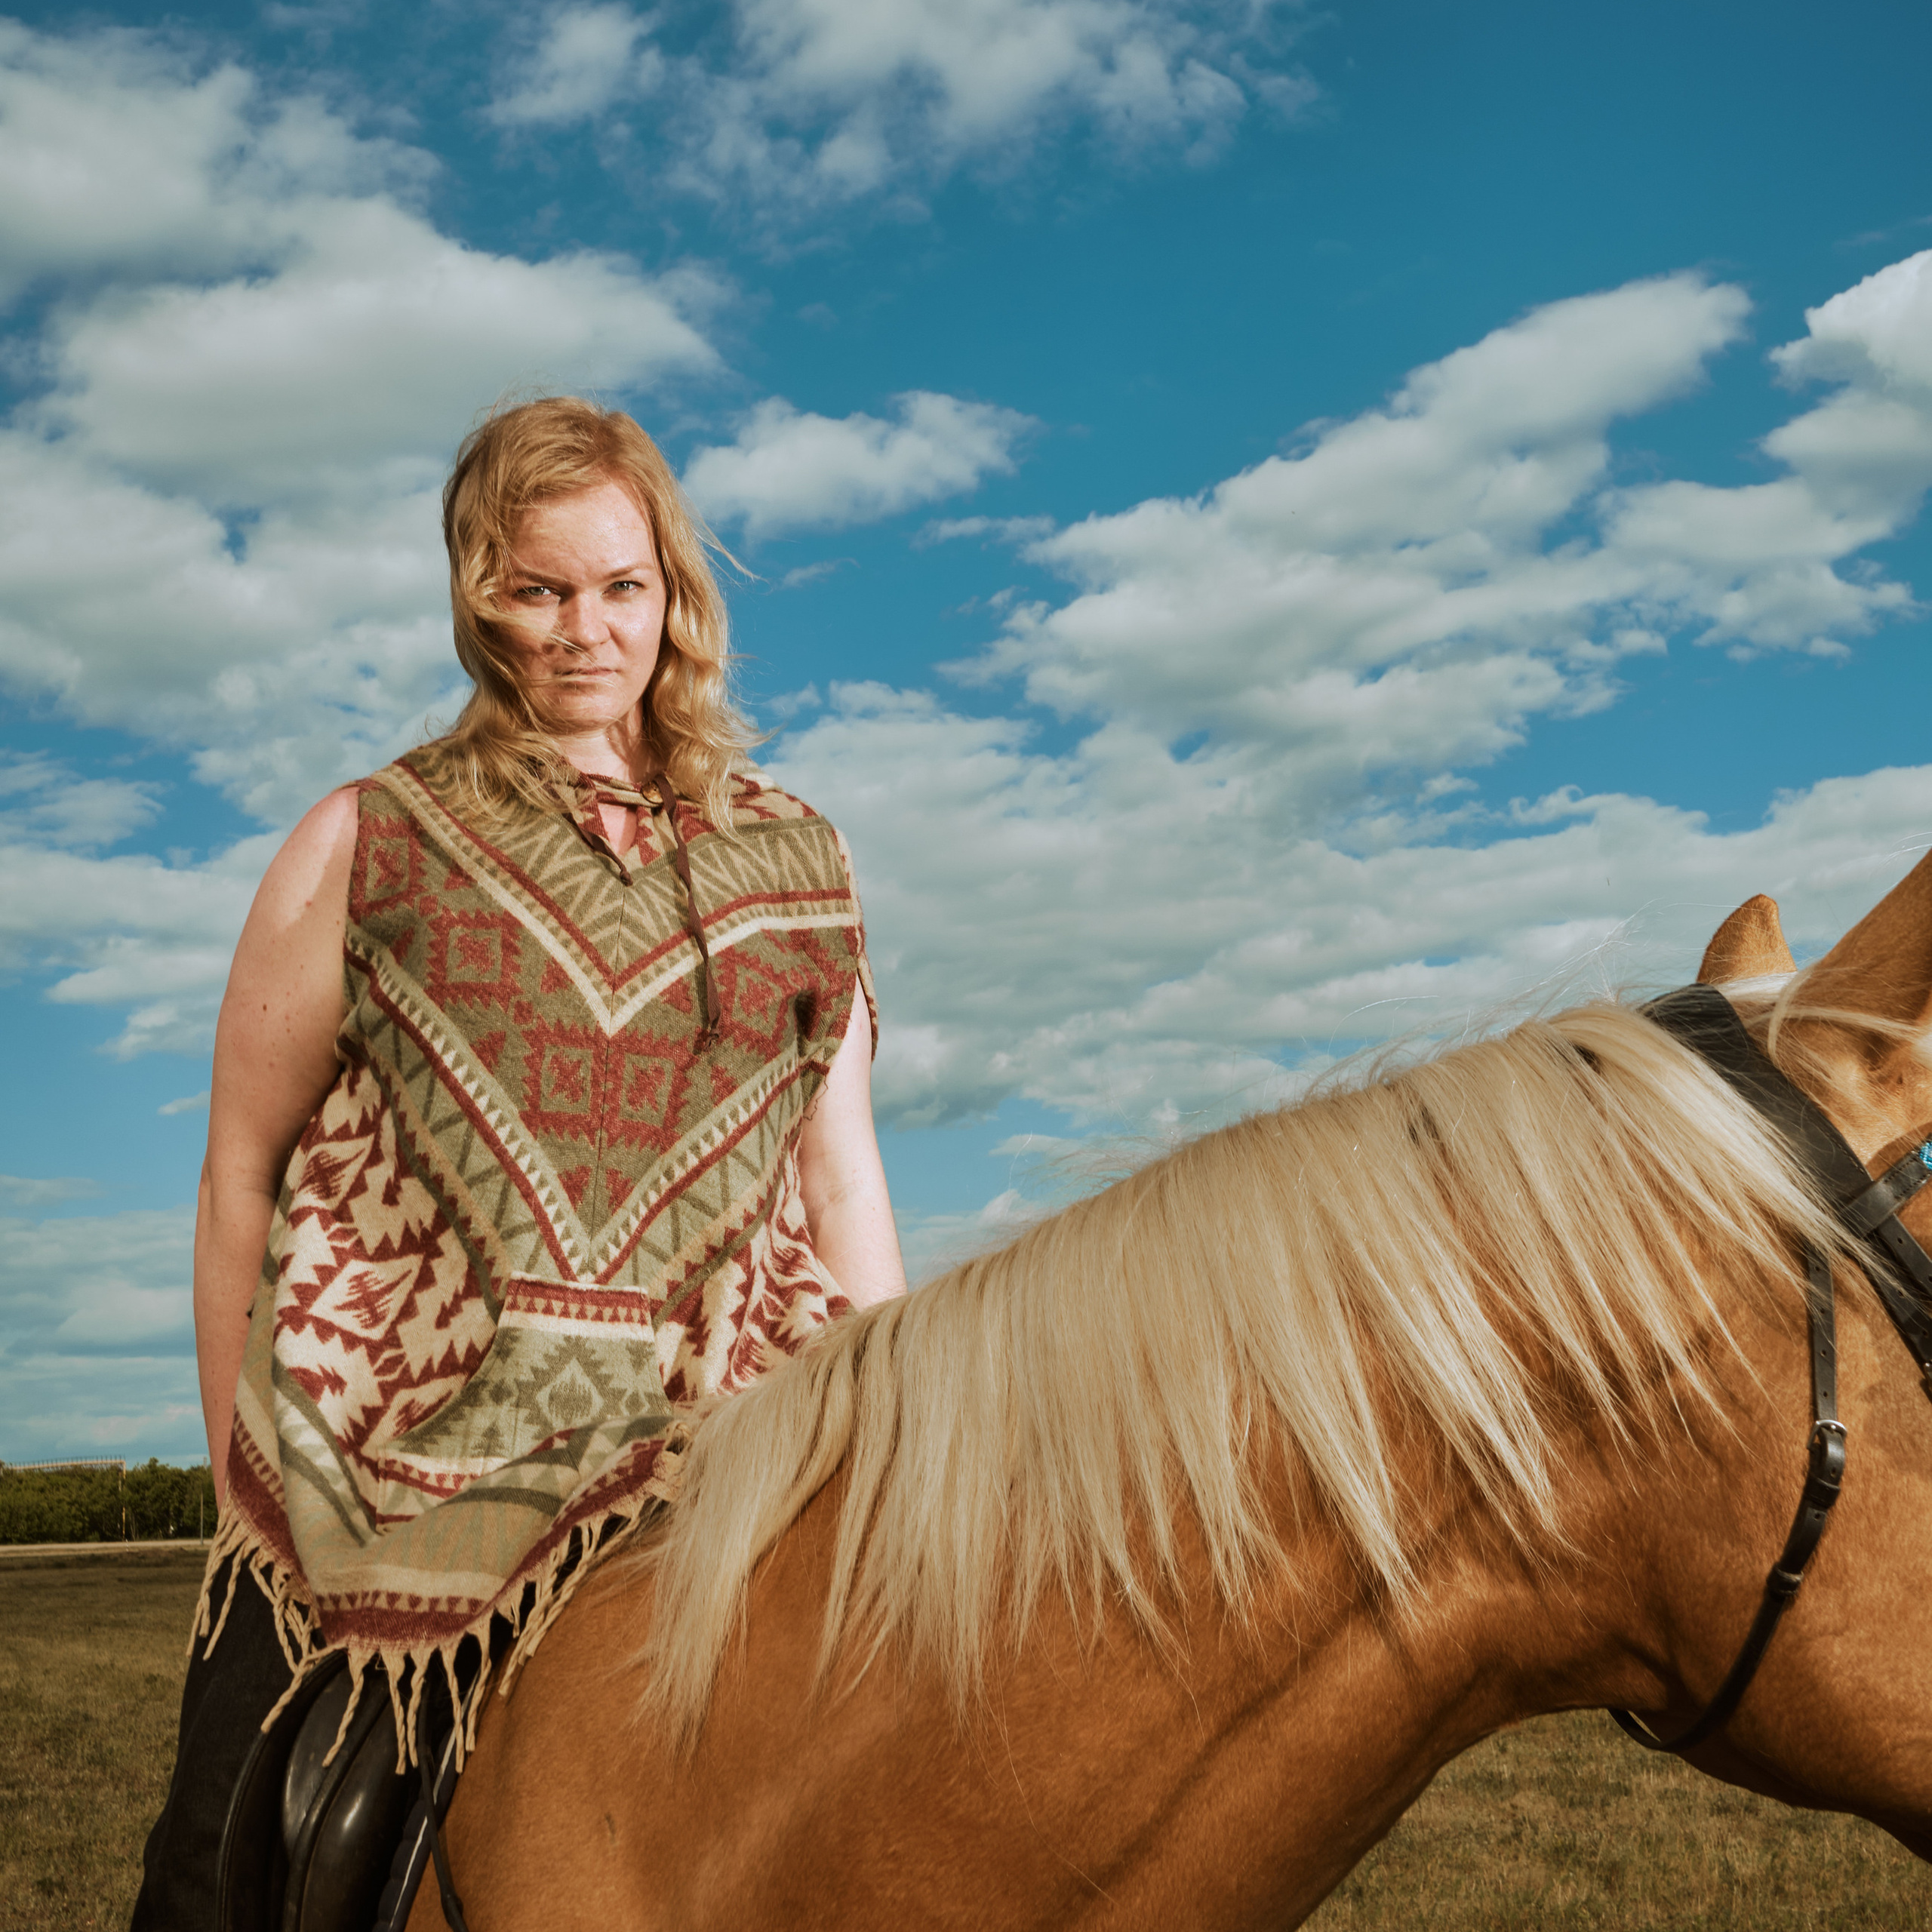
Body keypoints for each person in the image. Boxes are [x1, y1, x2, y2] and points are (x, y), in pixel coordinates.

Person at [133, 396, 905, 1927]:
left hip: (720, 1453)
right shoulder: (367, 838)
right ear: (477, 593)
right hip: (382, 1477)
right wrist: (241, 1477)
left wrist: (897, 1428)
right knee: (219, 1877)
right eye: (538, 588)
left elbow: (840, 1180)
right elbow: (242, 1165)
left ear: (673, 591)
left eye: (620, 586)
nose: (582, 628)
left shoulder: (798, 862)